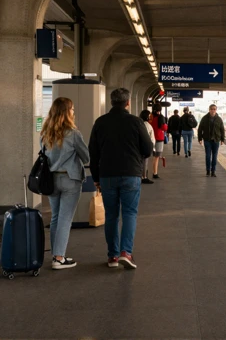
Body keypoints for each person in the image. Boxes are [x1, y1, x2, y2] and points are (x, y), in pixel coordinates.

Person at [89, 88, 153, 269]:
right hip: (131, 174)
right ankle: (126, 252)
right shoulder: (136, 122)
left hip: (107, 175)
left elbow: (93, 152)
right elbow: (148, 149)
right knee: (129, 213)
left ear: (111, 102)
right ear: (128, 102)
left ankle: (113, 257)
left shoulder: (100, 123)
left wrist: (95, 177)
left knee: (111, 216)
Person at [40, 97, 90, 270]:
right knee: (65, 220)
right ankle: (59, 258)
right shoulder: (73, 133)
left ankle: (56, 254)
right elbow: (86, 157)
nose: (74, 112)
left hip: (51, 180)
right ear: (67, 112)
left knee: (55, 218)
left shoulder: (46, 132)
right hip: (70, 179)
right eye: (72, 109)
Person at [198, 104, 225, 177]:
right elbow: (200, 129)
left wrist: (222, 139)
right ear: (209, 109)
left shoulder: (219, 119)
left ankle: (213, 171)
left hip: (216, 140)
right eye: (211, 109)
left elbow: (222, 129)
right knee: (208, 156)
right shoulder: (204, 118)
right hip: (207, 140)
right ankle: (208, 170)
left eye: (214, 109)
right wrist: (200, 138)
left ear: (216, 110)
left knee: (214, 156)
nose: (213, 110)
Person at [149, 104, 168, 178]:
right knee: (156, 157)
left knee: (151, 156)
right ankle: (155, 173)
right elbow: (164, 128)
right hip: (159, 139)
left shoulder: (150, 117)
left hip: (150, 138)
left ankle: (146, 173)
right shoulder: (160, 118)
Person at [139, 110, 155, 184]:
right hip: (146, 146)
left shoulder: (139, 123)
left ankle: (139, 176)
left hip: (138, 146)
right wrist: (153, 148)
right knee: (145, 161)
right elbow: (152, 138)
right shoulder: (148, 125)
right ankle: (144, 177)